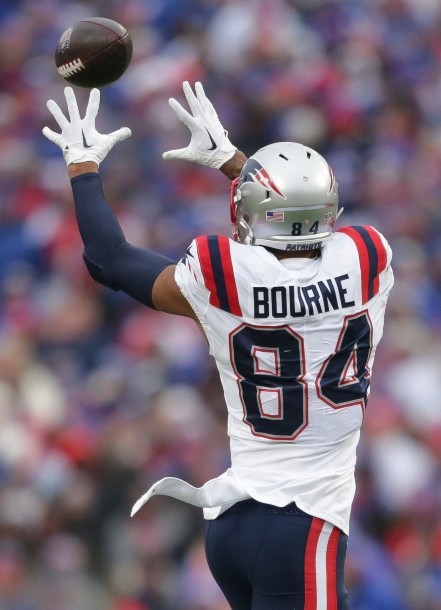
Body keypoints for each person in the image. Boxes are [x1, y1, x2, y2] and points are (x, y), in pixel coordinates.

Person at [42, 82, 393, 610]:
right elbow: (299, 236)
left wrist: (82, 168)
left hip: (232, 522)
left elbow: (108, 259)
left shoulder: (225, 275)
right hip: (305, 523)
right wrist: (237, 163)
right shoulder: (368, 258)